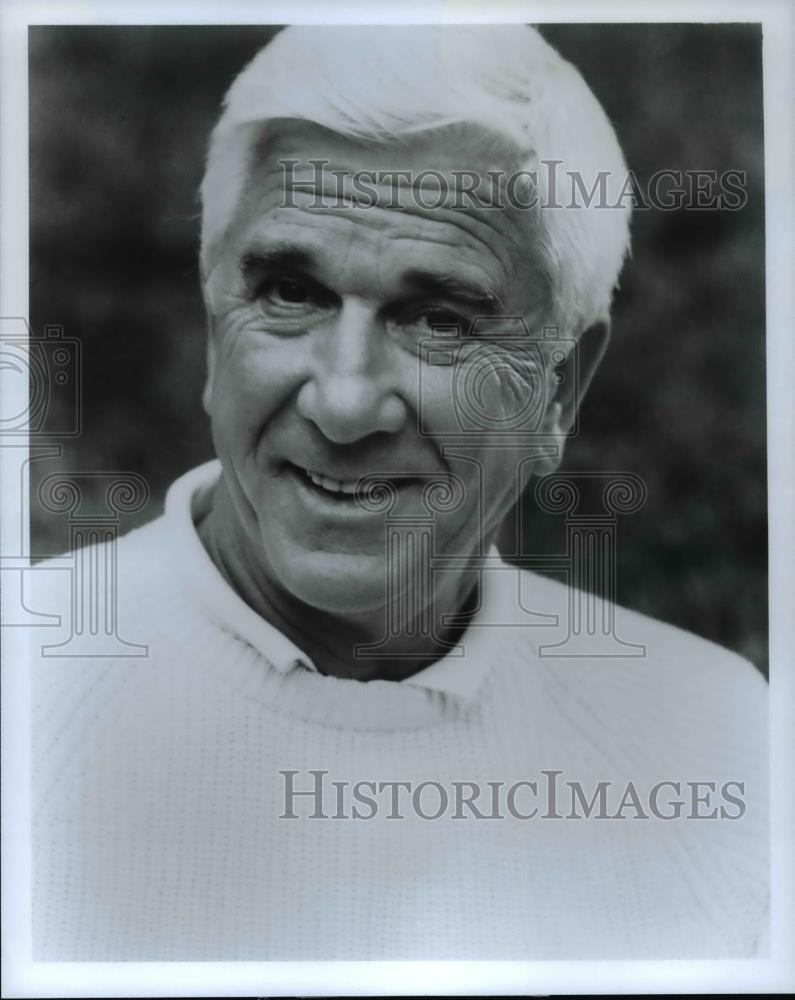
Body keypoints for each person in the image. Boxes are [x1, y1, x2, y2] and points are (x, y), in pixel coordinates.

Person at [30, 24, 768, 961]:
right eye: (291, 292)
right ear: (215, 328)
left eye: (439, 319)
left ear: (560, 388)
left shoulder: (716, 741)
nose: (343, 402)